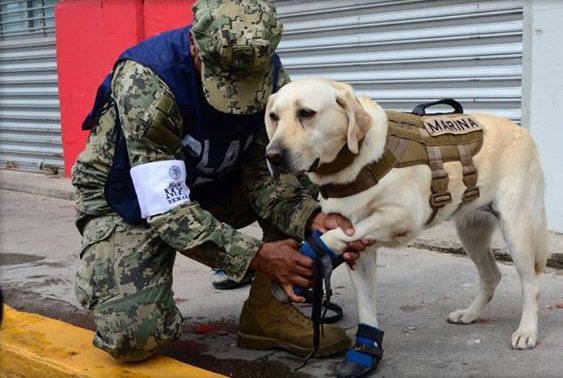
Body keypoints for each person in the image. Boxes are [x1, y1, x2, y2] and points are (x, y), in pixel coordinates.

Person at [72, 0, 368, 362]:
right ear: (195, 45)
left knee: (297, 175)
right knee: (135, 338)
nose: (239, 96)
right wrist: (255, 256)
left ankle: (266, 310)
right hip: (126, 202)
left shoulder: (268, 71)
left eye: (249, 82)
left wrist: (311, 218)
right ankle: (114, 275)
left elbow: (266, 171)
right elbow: (166, 206)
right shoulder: (148, 82)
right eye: (227, 81)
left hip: (212, 187)